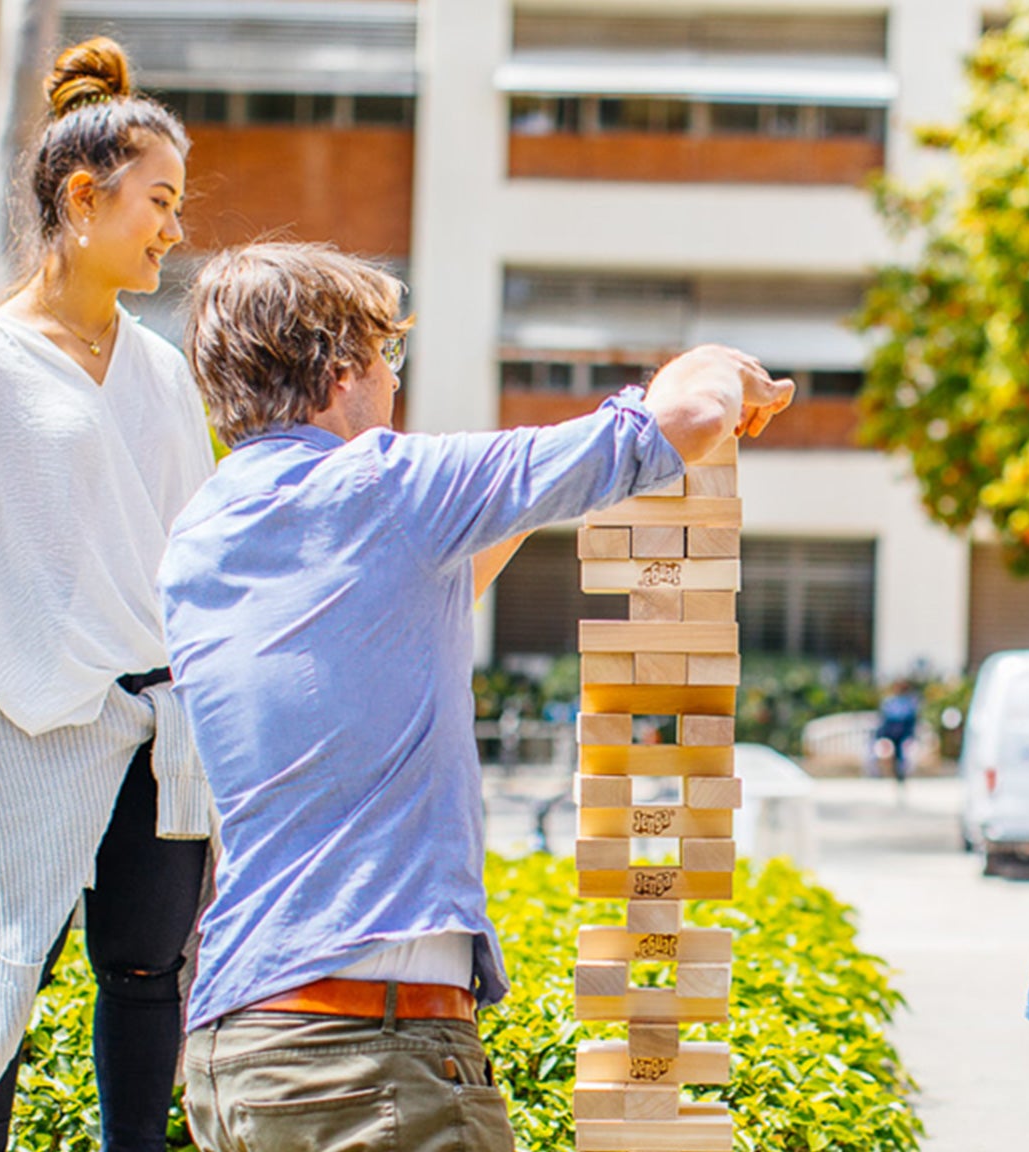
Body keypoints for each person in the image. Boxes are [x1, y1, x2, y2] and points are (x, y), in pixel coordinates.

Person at [160, 241, 792, 1151]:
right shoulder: (383, 486)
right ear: (342, 370)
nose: (393, 387)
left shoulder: (201, 535)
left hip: (239, 1049)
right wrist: (718, 370)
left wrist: (530, 496)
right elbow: (681, 417)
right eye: (389, 358)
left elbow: (440, 581)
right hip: (366, 1055)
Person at [0, 38, 213, 1152]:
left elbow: (196, 556)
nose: (173, 227)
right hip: (9, 728)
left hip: (154, 725)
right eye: (156, 201)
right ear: (83, 197)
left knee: (143, 976)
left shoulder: (163, 371)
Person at [873, 679, 921, 785]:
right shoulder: (890, 702)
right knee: (877, 749)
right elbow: (884, 719)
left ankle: (899, 772)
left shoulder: (909, 702)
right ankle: (877, 771)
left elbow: (910, 720)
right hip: (889, 733)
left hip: (903, 734)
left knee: (902, 752)